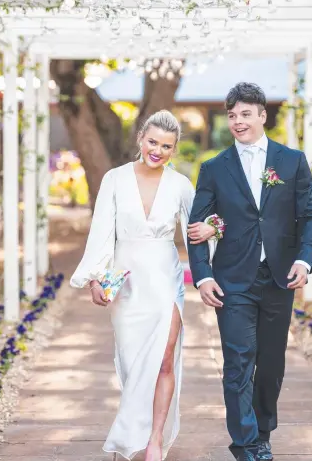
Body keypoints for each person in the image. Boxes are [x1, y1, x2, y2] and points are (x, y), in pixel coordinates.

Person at [70, 110, 216, 461]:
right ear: (140, 139)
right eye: (152, 142)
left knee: (165, 359)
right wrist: (95, 277)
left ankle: (153, 440)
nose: (157, 150)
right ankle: (129, 433)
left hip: (166, 280)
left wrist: (214, 229)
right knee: (134, 364)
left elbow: (200, 225)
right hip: (127, 283)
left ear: (174, 149)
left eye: (166, 146)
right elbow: (102, 231)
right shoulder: (114, 179)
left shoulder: (180, 184)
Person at [188, 83, 312, 461]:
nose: (237, 122)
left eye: (245, 114)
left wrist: (303, 259)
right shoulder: (213, 168)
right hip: (231, 281)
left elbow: (310, 216)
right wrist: (203, 275)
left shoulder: (292, 161)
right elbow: (197, 227)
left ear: (263, 115)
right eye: (231, 116)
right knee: (238, 360)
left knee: (271, 365)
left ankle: (263, 431)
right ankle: (245, 444)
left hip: (280, 277)